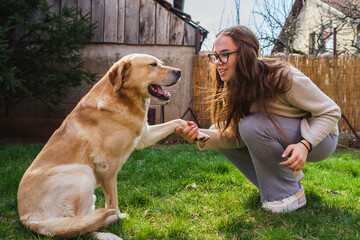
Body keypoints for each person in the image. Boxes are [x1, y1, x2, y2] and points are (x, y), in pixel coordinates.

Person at [176, 25, 341, 213]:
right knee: (219, 129)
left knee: (252, 125)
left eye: (225, 54)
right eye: (215, 56)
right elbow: (239, 136)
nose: (218, 62)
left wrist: (305, 145)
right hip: (288, 137)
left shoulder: (283, 77)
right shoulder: (236, 87)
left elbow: (331, 112)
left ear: (245, 54)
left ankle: (290, 195)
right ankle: (281, 181)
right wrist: (200, 135)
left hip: (320, 139)